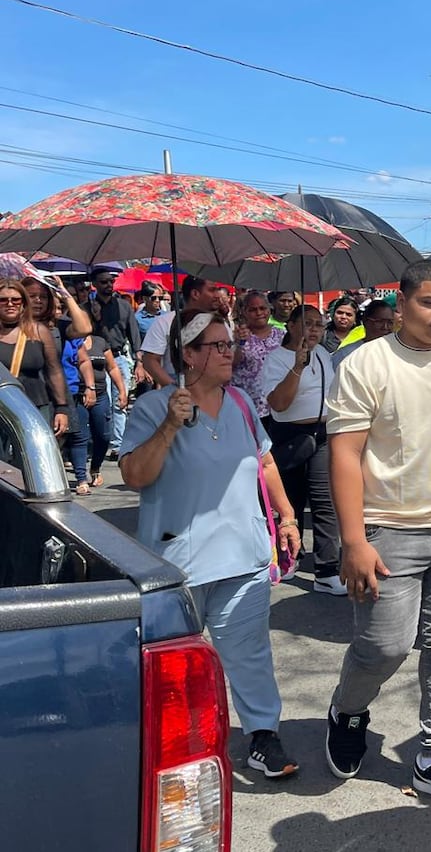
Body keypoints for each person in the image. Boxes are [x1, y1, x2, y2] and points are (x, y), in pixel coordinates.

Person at [322, 260, 431, 812]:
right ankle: (347, 711)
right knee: (384, 646)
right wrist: (354, 540)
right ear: (401, 304)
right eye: (429, 303)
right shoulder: (366, 363)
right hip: (390, 530)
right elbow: (345, 454)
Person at [119, 309, 302, 779]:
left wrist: (285, 515)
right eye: (216, 346)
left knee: (250, 654)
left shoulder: (240, 401)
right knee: (176, 665)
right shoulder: (153, 407)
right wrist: (170, 426)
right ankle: (181, 744)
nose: (228, 353)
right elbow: (136, 476)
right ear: (188, 355)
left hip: (244, 555)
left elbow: (264, 463)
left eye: (229, 344)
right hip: (177, 563)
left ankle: (263, 735)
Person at [263, 305, 344, 595]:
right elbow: (278, 403)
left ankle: (326, 570)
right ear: (291, 325)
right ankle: (289, 557)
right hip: (291, 434)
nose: (314, 330)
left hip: (322, 433)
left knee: (325, 503)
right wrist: (297, 365)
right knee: (291, 502)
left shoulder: (323, 355)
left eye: (319, 325)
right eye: (307, 323)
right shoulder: (276, 359)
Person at [0, 279, 70, 436]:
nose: (10, 304)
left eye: (15, 300)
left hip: (35, 406)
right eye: (3, 300)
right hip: (1, 409)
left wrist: (62, 408)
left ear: (23, 303)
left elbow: (54, 370)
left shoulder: (39, 331)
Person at [89, 268, 141, 457]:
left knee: (120, 402)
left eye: (111, 282)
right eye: (104, 282)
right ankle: (101, 441)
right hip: (95, 361)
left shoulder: (123, 306)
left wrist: (139, 362)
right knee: (103, 404)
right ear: (94, 284)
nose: (109, 285)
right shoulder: (87, 306)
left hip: (118, 357)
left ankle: (118, 444)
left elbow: (133, 334)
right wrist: (94, 319)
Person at [74, 311, 127, 489]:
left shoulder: (100, 342)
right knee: (79, 437)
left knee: (103, 436)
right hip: (78, 396)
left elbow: (112, 367)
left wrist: (121, 391)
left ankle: (95, 468)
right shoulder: (69, 343)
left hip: (101, 395)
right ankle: (81, 478)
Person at [141, 276, 221, 388]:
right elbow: (150, 360)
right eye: (212, 290)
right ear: (195, 294)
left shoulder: (219, 324)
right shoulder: (165, 322)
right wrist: (172, 388)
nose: (218, 295)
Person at [231, 291, 286, 420]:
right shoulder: (238, 335)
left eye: (262, 308)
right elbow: (231, 364)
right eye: (253, 309)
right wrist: (239, 343)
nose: (259, 313)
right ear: (244, 312)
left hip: (277, 405)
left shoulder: (282, 335)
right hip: (248, 407)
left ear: (269, 310)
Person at [60, 333, 98, 494]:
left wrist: (90, 387)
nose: (57, 311)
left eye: (61, 307)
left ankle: (81, 478)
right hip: (42, 391)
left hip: (72, 391)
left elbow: (83, 360)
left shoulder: (69, 333)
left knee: (79, 435)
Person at [331, 298, 395, 368]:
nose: (385, 327)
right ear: (365, 321)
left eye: (390, 322)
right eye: (380, 321)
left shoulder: (397, 352)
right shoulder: (347, 354)